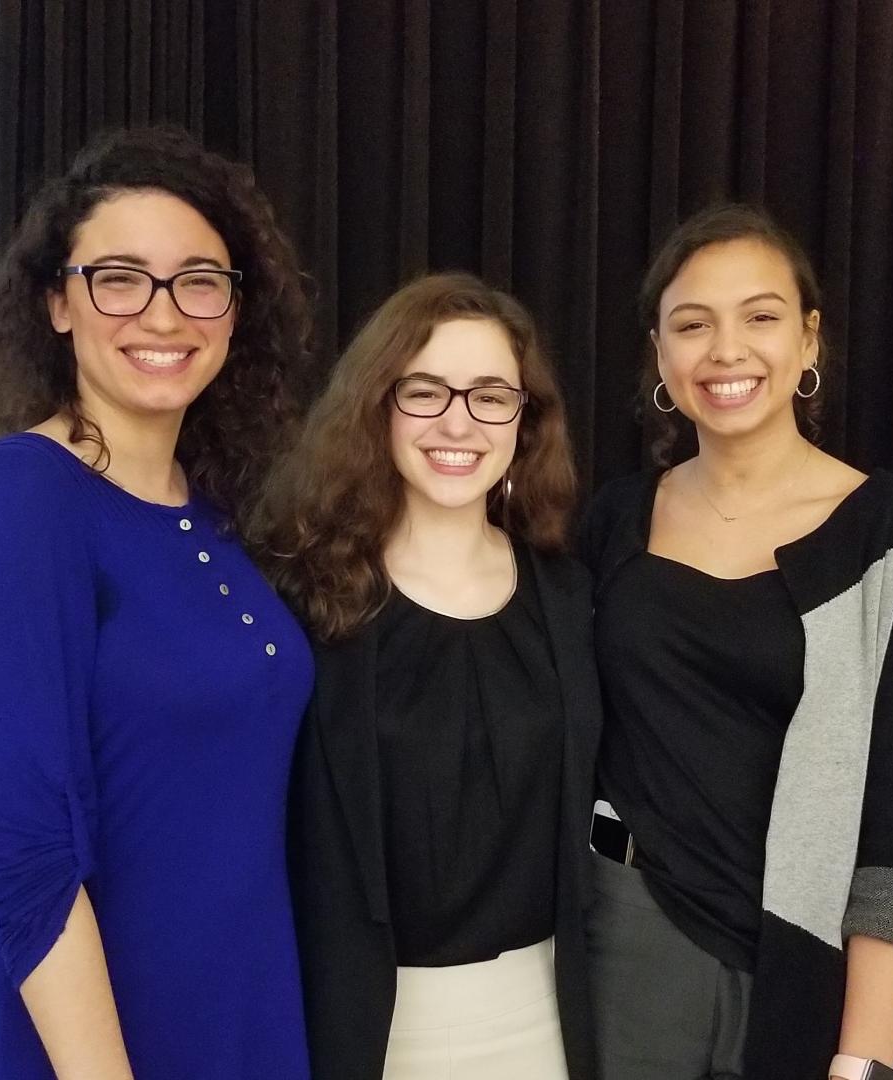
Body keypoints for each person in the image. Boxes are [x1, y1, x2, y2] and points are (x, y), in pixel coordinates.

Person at [0, 126, 315, 1079]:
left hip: (232, 1007)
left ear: (234, 309)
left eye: (198, 280)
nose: (162, 312)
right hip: (75, 1043)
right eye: (119, 278)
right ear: (58, 302)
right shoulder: (27, 495)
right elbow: (28, 856)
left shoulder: (217, 508)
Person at [583, 203, 893, 1080]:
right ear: (659, 352)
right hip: (626, 953)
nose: (726, 351)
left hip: (810, 967)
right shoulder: (610, 522)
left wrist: (862, 1059)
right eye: (692, 324)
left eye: (760, 316)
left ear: (808, 341)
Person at [264, 273, 601, 1080]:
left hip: (546, 1018)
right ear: (377, 404)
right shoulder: (299, 599)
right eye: (425, 391)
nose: (458, 422)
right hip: (365, 1027)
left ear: (525, 420)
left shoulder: (569, 596)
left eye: (490, 394)